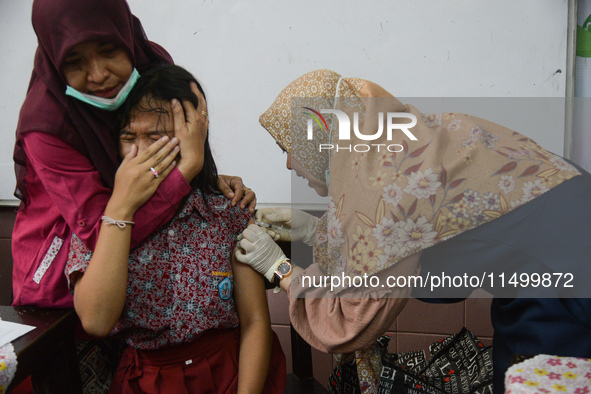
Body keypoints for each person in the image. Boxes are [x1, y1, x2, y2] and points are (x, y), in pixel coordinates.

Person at [235, 69, 591, 393]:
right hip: (558, 241)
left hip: (562, 276)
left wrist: (280, 269)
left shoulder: (387, 194)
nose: (287, 164)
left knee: (533, 376)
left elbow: (352, 323)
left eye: (288, 148)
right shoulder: (397, 146)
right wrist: (317, 231)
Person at [12, 0, 255, 311]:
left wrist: (207, 179)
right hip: (62, 290)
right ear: (54, 58)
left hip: (138, 288)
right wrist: (186, 171)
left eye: (109, 50)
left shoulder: (153, 67)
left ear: (124, 34)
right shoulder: (45, 126)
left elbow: (180, 149)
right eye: (75, 62)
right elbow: (104, 232)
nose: (98, 75)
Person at [66, 63, 286, 393]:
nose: (139, 153)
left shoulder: (224, 208)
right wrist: (122, 207)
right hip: (147, 381)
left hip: (229, 373)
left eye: (156, 138)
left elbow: (255, 322)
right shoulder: (98, 216)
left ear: (193, 136)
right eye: (128, 137)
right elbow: (96, 321)